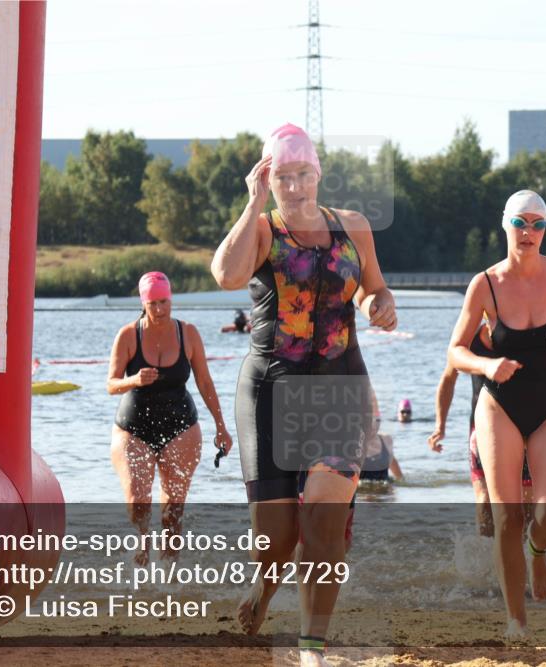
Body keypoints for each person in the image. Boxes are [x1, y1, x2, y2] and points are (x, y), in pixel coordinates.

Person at [211, 123, 397, 666]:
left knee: (324, 524)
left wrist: (379, 305)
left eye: (302, 175)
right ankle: (264, 589)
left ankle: (312, 649)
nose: (294, 187)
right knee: (276, 542)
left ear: (319, 173)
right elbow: (225, 275)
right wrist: (253, 203)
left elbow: (372, 286)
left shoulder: (353, 228)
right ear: (270, 178)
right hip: (271, 389)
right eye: (282, 177)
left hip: (341, 389)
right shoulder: (263, 230)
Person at [446, 190, 546, 639]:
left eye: (537, 224)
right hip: (500, 404)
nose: (529, 232)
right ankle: (517, 621)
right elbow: (454, 351)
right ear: (505, 225)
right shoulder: (486, 284)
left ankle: (539, 549)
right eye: (520, 223)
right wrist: (488, 364)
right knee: (508, 516)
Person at [107, 271, 233, 565]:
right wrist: (134, 380)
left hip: (181, 426)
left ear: (171, 299)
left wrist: (221, 427)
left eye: (165, 302)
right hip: (133, 426)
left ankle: (170, 578)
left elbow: (204, 381)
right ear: (143, 303)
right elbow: (111, 384)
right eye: (153, 304)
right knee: (138, 504)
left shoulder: (188, 332)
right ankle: (141, 551)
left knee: (173, 511)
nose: (160, 310)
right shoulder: (128, 335)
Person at [429, 322, 533, 537]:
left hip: (525, 427)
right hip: (482, 427)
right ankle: (486, 559)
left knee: (526, 503)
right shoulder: (470, 338)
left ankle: (527, 558)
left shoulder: (527, 332)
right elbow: (448, 378)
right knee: (485, 499)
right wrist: (440, 425)